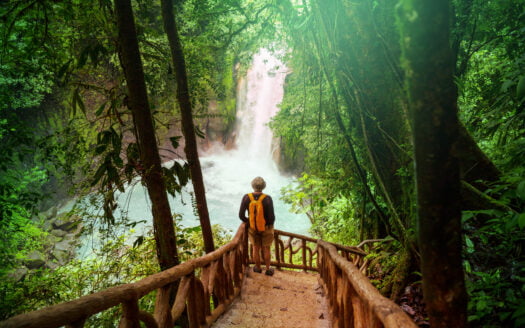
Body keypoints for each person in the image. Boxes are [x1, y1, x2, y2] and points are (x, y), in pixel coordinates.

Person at [239, 176, 275, 276]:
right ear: (264, 186)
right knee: (266, 248)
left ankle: (258, 268)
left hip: (253, 228)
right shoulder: (267, 199)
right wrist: (267, 225)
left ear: (252, 185)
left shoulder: (246, 197)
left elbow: (241, 215)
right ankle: (268, 269)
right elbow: (271, 217)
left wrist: (250, 222)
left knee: (255, 248)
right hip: (266, 228)